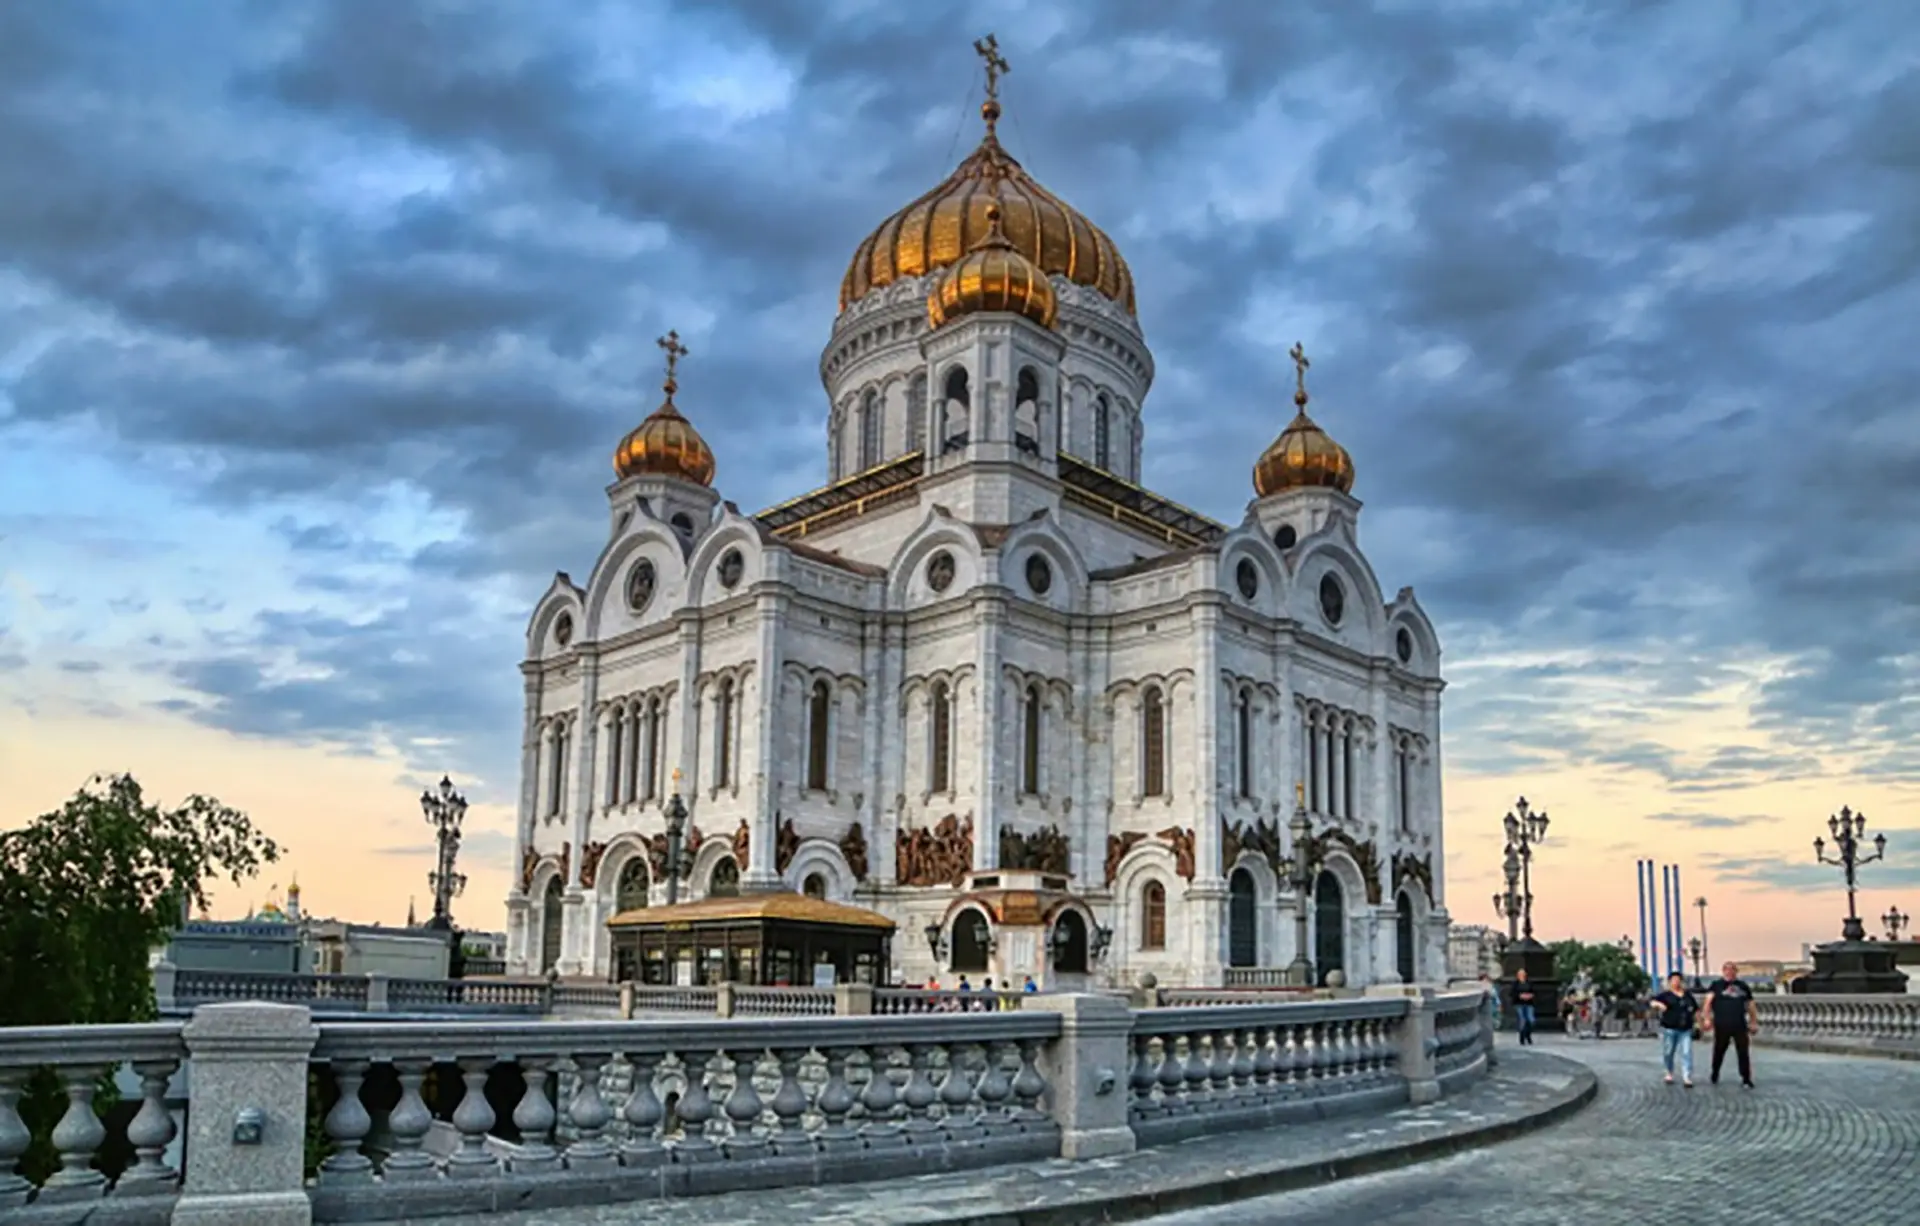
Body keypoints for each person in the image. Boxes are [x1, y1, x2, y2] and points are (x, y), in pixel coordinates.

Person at [1703, 961, 1759, 1087]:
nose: (1729, 972)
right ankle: (1715, 1072)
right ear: (1723, 971)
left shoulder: (1743, 986)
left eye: (1732, 969)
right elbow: (1707, 1002)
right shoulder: (1716, 985)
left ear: (1736, 972)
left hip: (1739, 1023)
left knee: (1743, 1052)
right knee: (1719, 1050)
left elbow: (1750, 1005)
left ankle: (1746, 1078)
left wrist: (1753, 1021)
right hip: (1722, 1023)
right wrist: (1707, 1018)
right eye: (1727, 969)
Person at [1648, 972, 1699, 1087]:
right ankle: (1669, 1072)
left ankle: (1687, 1076)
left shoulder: (1687, 995)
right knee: (1668, 1052)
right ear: (1670, 982)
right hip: (1670, 1028)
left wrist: (1699, 1023)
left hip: (1686, 1028)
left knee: (1686, 1052)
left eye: (1678, 980)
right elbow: (1652, 1002)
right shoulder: (1665, 995)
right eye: (1674, 980)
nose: (1676, 982)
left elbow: (1695, 1009)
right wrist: (1659, 1005)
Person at [1511, 969, 1537, 1045]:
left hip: (1529, 1003)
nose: (1522, 975)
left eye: (1523, 974)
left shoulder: (1529, 982)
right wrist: (1520, 996)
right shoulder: (1515, 983)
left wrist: (1530, 995)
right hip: (1519, 1003)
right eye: (1520, 974)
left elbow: (1534, 991)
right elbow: (1512, 993)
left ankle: (1528, 1034)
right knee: (1522, 1020)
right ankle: (1522, 1037)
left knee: (1531, 1020)